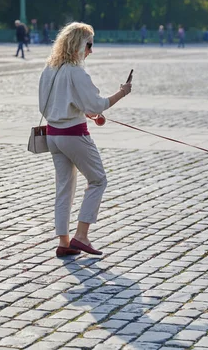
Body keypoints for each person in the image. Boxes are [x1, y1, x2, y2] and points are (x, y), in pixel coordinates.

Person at [38, 22, 133, 257]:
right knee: (98, 180)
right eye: (89, 45)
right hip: (73, 135)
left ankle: (64, 242)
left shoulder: (49, 69)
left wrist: (87, 113)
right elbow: (97, 104)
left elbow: (51, 105)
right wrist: (123, 92)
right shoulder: (76, 71)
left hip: (53, 135)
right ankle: (81, 236)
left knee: (63, 188)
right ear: (79, 45)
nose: (91, 50)